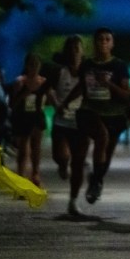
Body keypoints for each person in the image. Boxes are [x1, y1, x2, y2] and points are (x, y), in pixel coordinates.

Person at [61, 27, 130, 216]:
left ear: (112, 43)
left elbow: (126, 95)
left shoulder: (119, 66)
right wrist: (66, 102)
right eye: (100, 39)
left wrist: (108, 83)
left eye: (107, 39)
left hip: (114, 114)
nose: (103, 43)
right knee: (100, 138)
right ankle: (75, 197)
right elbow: (81, 86)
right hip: (89, 111)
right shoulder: (88, 65)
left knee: (106, 156)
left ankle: (96, 180)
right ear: (95, 43)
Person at [8, 53, 49, 186]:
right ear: (26, 66)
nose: (34, 68)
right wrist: (26, 92)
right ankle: (21, 175)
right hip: (23, 116)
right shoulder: (20, 82)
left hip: (37, 116)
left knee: (36, 146)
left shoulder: (43, 81)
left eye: (36, 65)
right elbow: (13, 103)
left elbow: (51, 97)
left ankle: (35, 174)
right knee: (23, 148)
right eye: (31, 65)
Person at [49, 36, 83, 182]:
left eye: (77, 48)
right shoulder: (59, 71)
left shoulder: (88, 71)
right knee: (61, 156)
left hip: (81, 120)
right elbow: (48, 90)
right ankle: (63, 164)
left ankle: (75, 193)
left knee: (78, 157)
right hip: (61, 119)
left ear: (82, 51)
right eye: (70, 49)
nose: (74, 52)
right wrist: (57, 105)